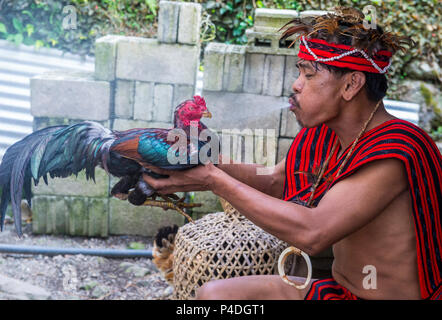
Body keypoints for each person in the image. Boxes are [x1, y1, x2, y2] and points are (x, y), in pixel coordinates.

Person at [143, 8, 442, 300]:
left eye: (309, 75)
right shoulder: (329, 133)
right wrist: (204, 160)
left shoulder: (397, 151)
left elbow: (314, 232)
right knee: (213, 295)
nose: (296, 85)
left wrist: (213, 180)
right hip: (339, 292)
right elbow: (276, 181)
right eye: (299, 72)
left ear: (351, 84)